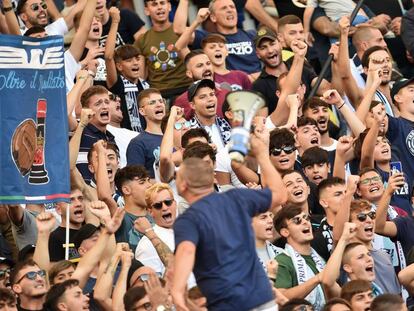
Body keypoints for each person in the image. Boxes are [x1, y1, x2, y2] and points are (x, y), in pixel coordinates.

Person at [172, 124, 288, 310]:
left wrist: (177, 291)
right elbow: (280, 195)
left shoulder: (188, 220)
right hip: (263, 299)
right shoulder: (237, 198)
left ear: (184, 185)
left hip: (228, 304)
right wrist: (262, 156)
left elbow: (186, 251)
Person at [134, 0, 191, 102]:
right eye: (154, 4)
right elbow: (141, 76)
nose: (159, 7)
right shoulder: (142, 40)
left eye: (162, 3)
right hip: (159, 95)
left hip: (187, 89)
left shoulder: (183, 32)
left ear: (169, 6)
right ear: (147, 10)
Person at [105, 7, 150, 133]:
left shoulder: (145, 85)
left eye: (136, 58)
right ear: (119, 66)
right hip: (127, 140)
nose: (135, 63)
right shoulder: (117, 84)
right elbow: (109, 57)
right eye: (129, 60)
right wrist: (115, 22)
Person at [76, 85, 116, 183]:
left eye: (107, 102)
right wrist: (82, 79)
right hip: (86, 195)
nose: (105, 106)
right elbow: (66, 113)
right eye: (98, 103)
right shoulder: (80, 130)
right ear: (87, 110)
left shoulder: (111, 138)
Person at [126, 88, 166, 178]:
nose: (159, 105)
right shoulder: (137, 143)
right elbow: (135, 180)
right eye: (152, 103)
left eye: (161, 101)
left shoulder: (174, 135)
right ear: (142, 111)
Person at [186, 79, 231, 151]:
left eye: (212, 94)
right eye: (203, 97)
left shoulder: (228, 124)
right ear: (192, 105)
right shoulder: (188, 131)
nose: (210, 99)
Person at [48, 187, 86, 262]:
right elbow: (55, 271)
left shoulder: (91, 232)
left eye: (80, 198)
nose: (78, 204)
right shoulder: (55, 237)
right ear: (59, 209)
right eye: (70, 200)